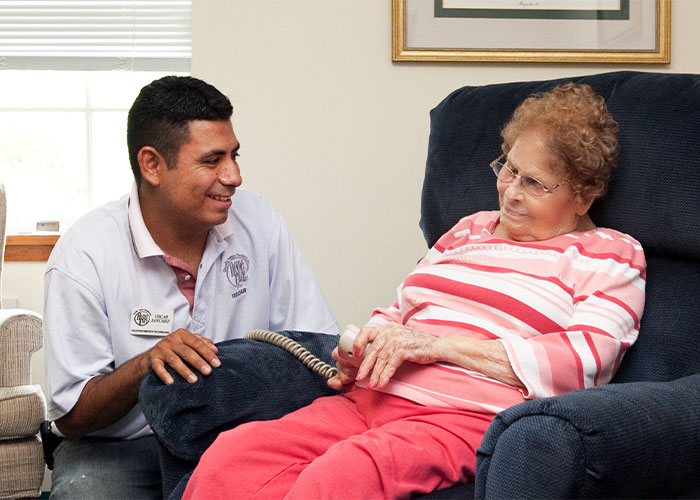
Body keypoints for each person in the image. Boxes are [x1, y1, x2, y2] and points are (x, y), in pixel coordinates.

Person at [181, 83, 647, 499]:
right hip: (373, 398)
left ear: (584, 195)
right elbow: (401, 309)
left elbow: (585, 360)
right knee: (236, 455)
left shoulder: (607, 254)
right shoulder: (469, 231)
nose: (510, 192)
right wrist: (364, 347)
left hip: (466, 416)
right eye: (508, 169)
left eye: (535, 183)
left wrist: (437, 347)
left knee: (342, 476)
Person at [43, 76, 339, 499]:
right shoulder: (84, 254)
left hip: (237, 437)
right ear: (152, 165)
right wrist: (148, 365)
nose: (234, 176)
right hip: (119, 448)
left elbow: (313, 343)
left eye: (234, 156)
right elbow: (72, 417)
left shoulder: (260, 221)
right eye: (212, 160)